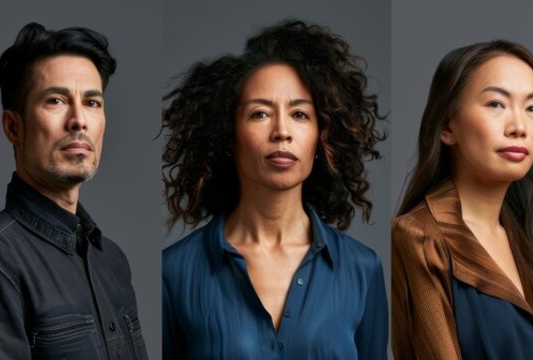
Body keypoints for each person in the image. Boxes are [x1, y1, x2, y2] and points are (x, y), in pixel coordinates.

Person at [161, 19, 388, 359]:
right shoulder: (176, 271)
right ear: (228, 135)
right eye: (260, 114)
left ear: (322, 136)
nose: (282, 131)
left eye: (299, 114)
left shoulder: (362, 268)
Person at [0, 23, 147, 359]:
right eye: (56, 100)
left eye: (92, 102)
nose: (79, 121)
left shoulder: (112, 260)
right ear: (13, 126)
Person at [392, 40, 533, 360]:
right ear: (448, 126)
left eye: (532, 108)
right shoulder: (419, 237)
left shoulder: (525, 237)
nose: (519, 127)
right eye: (496, 104)